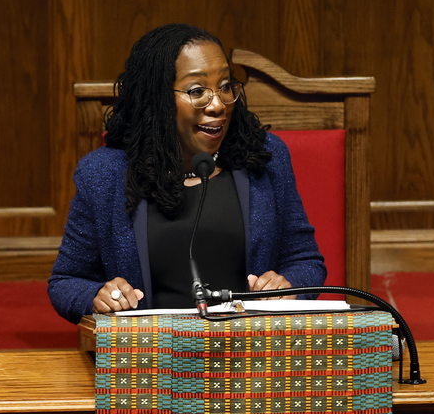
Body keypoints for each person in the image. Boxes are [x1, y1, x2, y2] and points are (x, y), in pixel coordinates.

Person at [48, 23, 326, 323]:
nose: (218, 105)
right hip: (153, 359)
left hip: (250, 354)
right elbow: (65, 282)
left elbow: (305, 261)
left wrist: (288, 287)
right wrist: (99, 296)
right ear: (157, 98)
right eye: (197, 91)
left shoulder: (264, 158)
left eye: (225, 86)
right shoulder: (105, 173)